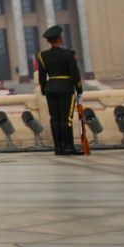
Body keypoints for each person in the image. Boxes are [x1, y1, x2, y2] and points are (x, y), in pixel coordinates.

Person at [37, 24, 83, 155]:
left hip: (51, 88)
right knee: (65, 119)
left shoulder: (43, 56)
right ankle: (68, 146)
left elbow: (41, 76)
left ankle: (58, 147)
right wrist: (79, 89)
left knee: (55, 118)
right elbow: (75, 74)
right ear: (59, 39)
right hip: (65, 87)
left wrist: (45, 90)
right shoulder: (68, 54)